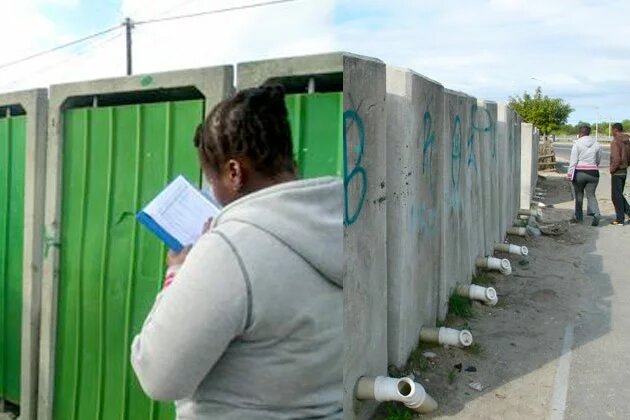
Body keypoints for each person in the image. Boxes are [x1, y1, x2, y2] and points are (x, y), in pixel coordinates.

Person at [131, 84, 343, 419]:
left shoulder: (229, 248)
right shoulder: (344, 222)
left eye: (211, 179)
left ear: (234, 172)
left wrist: (178, 273)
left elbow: (158, 376)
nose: (210, 192)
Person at [567, 125, 602, 226]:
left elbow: (573, 161)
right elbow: (598, 159)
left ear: (580, 133)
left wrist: (570, 174)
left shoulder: (577, 144)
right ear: (589, 132)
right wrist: (593, 166)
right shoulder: (597, 144)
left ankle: (579, 217)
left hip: (580, 173)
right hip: (593, 173)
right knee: (591, 195)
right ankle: (596, 213)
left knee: (579, 194)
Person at [610, 123, 630, 225]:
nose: (611, 132)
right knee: (619, 195)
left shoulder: (615, 142)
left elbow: (616, 159)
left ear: (615, 130)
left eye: (612, 130)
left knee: (615, 196)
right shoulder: (627, 141)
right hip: (624, 171)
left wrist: (612, 169)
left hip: (617, 172)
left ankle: (619, 220)